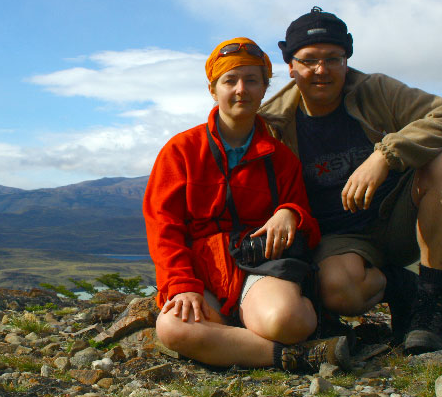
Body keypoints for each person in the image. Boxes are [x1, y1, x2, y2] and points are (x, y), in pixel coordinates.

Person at [258, 7, 442, 354]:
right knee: (341, 291)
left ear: (347, 59)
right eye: (309, 59)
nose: (321, 70)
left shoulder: (376, 90)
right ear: (291, 66)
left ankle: (430, 308)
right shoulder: (273, 121)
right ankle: (402, 286)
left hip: (401, 218)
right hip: (340, 240)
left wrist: (385, 155)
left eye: (333, 58)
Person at [143, 37, 351, 373]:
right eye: (230, 80)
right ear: (213, 90)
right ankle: (296, 356)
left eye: (252, 80)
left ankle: (230, 342)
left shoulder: (280, 158)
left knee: (288, 320)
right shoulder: (181, 151)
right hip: (202, 274)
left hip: (260, 268)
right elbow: (163, 227)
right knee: (173, 327)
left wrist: (290, 213)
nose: (242, 89)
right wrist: (181, 285)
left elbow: (308, 226)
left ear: (265, 87)